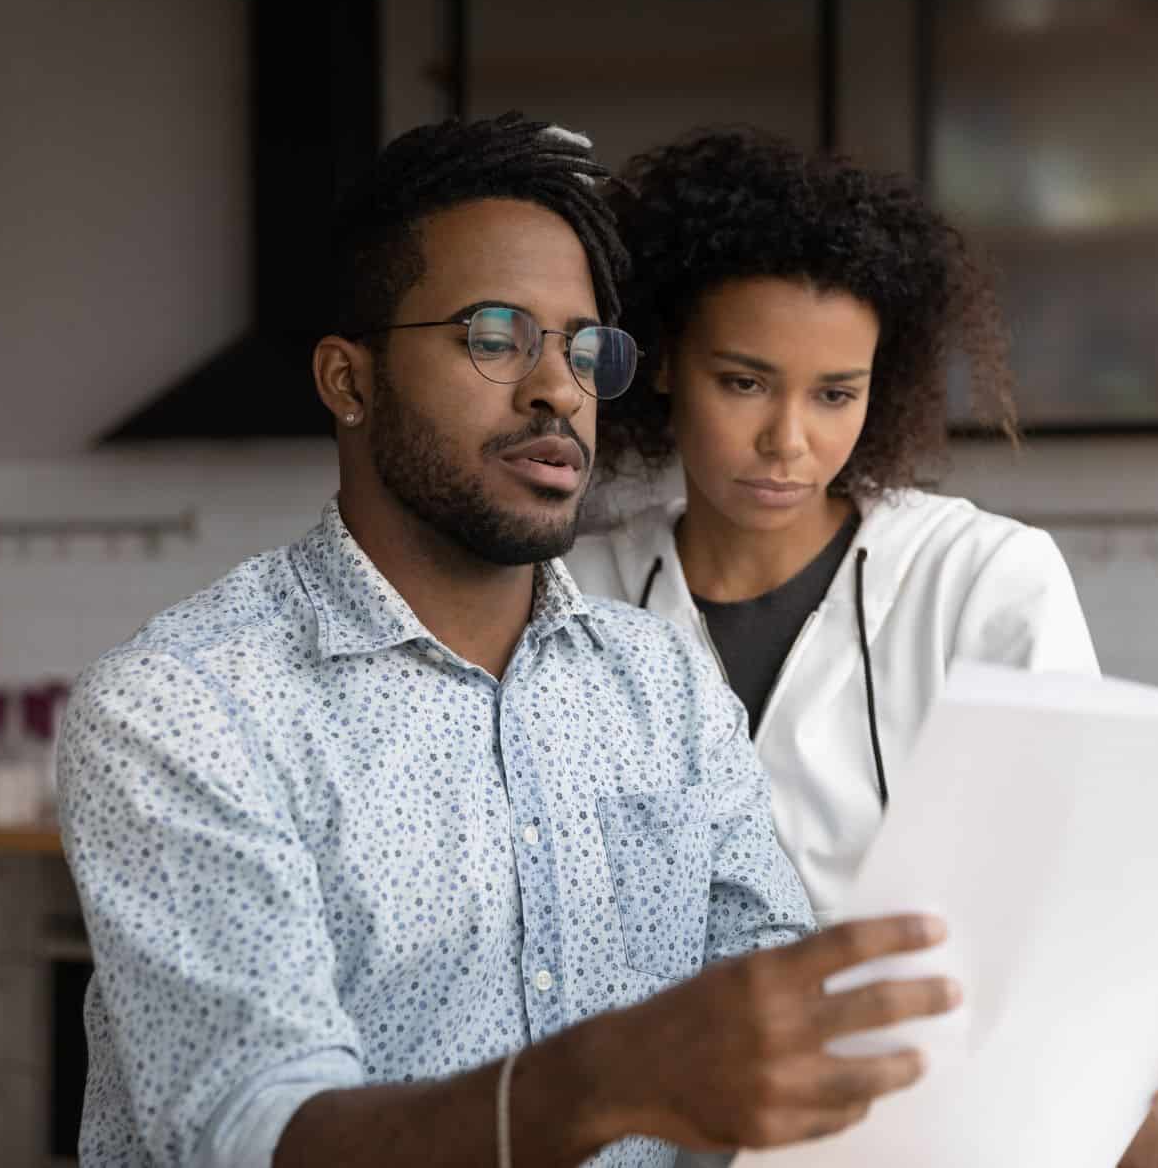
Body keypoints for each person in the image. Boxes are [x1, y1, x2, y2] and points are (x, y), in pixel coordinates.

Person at [55, 114, 964, 1168]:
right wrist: (607, 1077)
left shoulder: (662, 684)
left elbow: (808, 1042)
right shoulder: (184, 707)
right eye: (494, 337)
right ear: (348, 381)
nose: (557, 388)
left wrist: (1098, 1124)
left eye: (583, 349)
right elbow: (254, 1135)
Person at [566, 128, 1158, 1168]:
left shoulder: (984, 580)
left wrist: (1146, 1089)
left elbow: (1070, 909)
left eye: (834, 394)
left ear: (878, 389)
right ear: (665, 362)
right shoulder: (577, 597)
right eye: (744, 382)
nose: (788, 441)